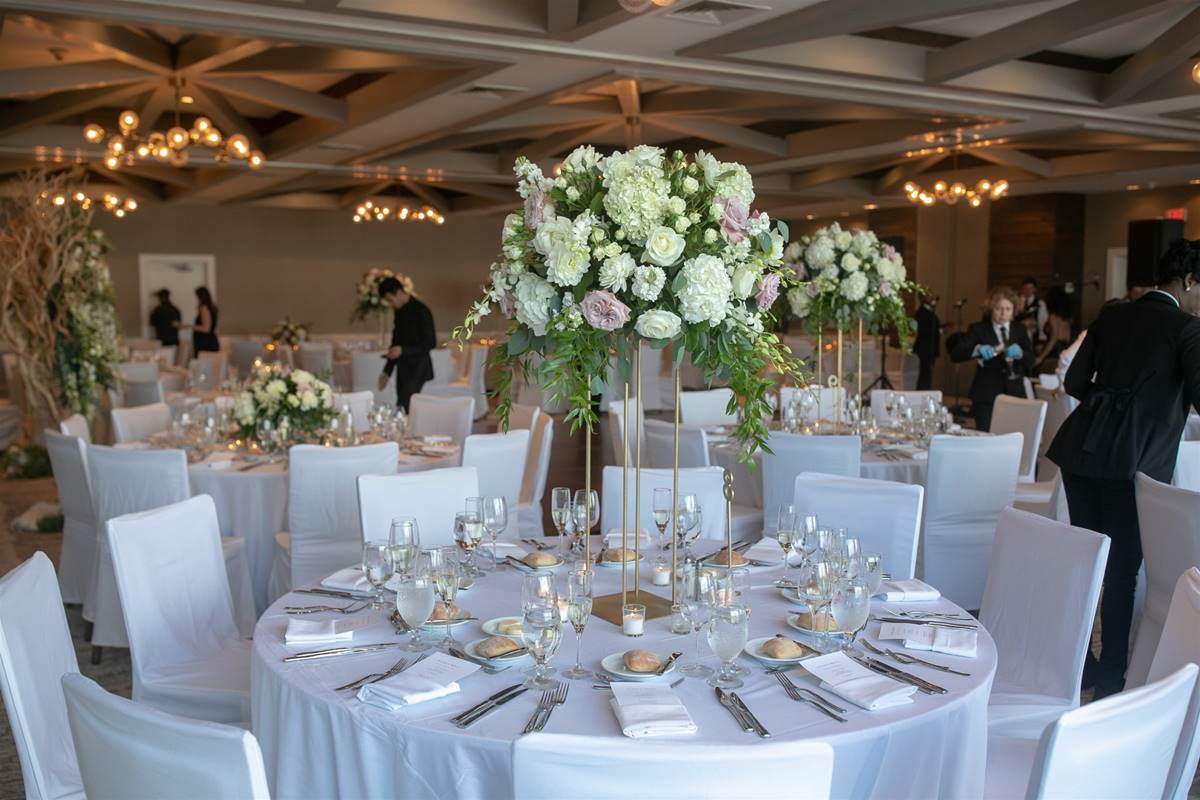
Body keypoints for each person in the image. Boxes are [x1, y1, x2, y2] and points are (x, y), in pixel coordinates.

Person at [1047, 238, 1200, 699]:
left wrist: (1114, 399)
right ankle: (1111, 678)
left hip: (1080, 451)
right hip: (1133, 464)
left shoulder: (1112, 315)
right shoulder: (1186, 328)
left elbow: (1075, 380)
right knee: (1121, 570)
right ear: (1189, 280)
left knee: (1089, 559)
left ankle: (1083, 666)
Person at [949, 286, 1036, 431]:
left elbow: (1031, 361)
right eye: (998, 308)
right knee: (988, 436)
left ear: (1013, 310)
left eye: (1008, 309)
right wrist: (978, 349)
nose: (1003, 313)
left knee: (1013, 437)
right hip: (986, 394)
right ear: (990, 309)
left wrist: (1021, 354)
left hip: (1015, 394)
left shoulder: (1019, 329)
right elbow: (956, 354)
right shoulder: (978, 329)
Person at [376, 275, 435, 411]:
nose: (391, 305)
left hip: (418, 367)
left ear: (398, 292)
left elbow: (430, 342)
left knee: (405, 406)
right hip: (403, 367)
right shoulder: (400, 311)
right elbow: (396, 342)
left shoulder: (421, 311)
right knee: (403, 407)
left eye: (390, 300)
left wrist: (403, 350)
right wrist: (386, 371)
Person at [1034, 286, 1073, 372]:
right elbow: (1067, 338)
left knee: (1043, 372)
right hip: (1064, 349)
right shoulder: (1067, 319)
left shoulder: (1053, 317)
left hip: (1054, 351)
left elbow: (1054, 338)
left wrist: (1041, 357)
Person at [175, 287, 219, 353]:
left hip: (205, 342)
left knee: (203, 359)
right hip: (209, 341)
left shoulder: (204, 308)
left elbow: (206, 328)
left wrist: (189, 326)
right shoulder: (211, 307)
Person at [913, 293, 942, 390]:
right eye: (928, 296)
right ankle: (922, 390)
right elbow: (924, 329)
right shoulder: (922, 312)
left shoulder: (930, 311)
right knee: (925, 371)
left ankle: (926, 389)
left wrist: (940, 329)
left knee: (928, 371)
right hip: (925, 347)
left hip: (930, 346)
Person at [1015, 277, 1048, 348]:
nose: (1028, 290)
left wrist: (1041, 338)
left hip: (1034, 336)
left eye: (1030, 288)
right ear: (1022, 289)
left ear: (1035, 289)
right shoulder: (1017, 302)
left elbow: (1043, 321)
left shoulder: (1040, 303)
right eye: (1025, 288)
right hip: (1018, 335)